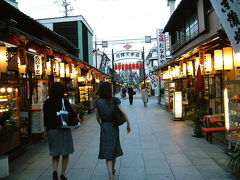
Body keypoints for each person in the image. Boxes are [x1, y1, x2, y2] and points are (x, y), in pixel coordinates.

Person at [95, 82, 131, 180]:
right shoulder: (115, 100)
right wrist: (128, 124)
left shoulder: (98, 102)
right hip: (114, 126)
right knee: (114, 149)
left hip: (105, 127)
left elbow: (97, 117)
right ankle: (113, 169)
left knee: (107, 151)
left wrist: (101, 125)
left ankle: (111, 175)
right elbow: (123, 112)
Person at [43, 82, 77, 180]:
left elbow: (45, 118)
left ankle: (54, 171)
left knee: (55, 153)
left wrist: (46, 130)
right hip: (64, 130)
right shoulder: (64, 101)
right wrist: (76, 118)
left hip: (52, 131)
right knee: (65, 153)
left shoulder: (47, 102)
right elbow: (72, 114)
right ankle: (62, 174)